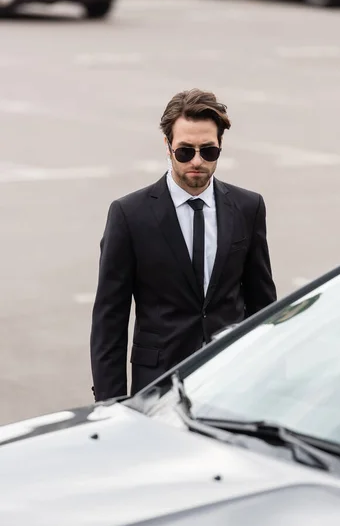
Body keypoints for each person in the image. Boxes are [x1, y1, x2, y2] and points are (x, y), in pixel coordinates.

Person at [90, 88, 277, 402]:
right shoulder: (129, 215)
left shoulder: (248, 207)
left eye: (209, 151)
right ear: (167, 145)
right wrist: (110, 402)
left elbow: (263, 304)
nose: (197, 161)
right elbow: (110, 318)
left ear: (220, 147)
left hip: (232, 381)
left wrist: (270, 383)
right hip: (159, 384)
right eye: (185, 151)